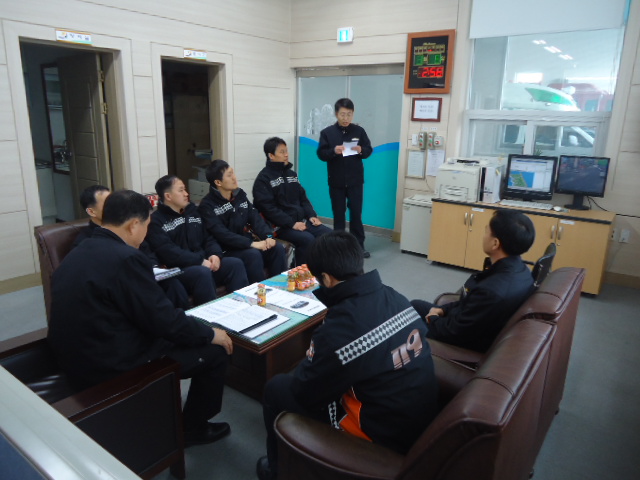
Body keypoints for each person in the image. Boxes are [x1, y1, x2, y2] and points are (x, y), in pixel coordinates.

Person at [48, 190, 234, 446]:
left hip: (75, 357)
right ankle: (192, 429)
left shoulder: (78, 252)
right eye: (147, 225)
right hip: (112, 365)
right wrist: (211, 333)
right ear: (134, 224)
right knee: (215, 352)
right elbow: (164, 320)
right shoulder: (126, 258)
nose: (146, 232)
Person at [256, 231, 438, 480]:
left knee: (277, 388)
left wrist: (314, 358)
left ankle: (277, 470)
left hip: (382, 437)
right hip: (419, 421)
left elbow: (306, 393)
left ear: (326, 278)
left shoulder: (340, 331)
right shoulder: (396, 297)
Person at [411, 209, 536, 352]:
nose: (483, 236)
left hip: (462, 340)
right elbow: (469, 303)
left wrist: (433, 318)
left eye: (486, 231)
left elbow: (453, 332)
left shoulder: (491, 292)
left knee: (404, 322)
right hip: (468, 321)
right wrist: (443, 309)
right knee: (414, 305)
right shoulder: (522, 270)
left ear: (495, 243)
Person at [73, 185, 209, 310]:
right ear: (91, 211)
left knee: (174, 283)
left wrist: (153, 267)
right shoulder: (85, 242)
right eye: (107, 203)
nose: (113, 206)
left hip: (150, 274)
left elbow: (147, 250)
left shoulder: (129, 227)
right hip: (123, 285)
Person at [146, 175, 249, 305]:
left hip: (203, 262)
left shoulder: (193, 212)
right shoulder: (156, 221)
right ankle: (210, 315)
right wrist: (199, 261)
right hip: (180, 270)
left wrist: (214, 254)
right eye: (181, 190)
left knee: (234, 264)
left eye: (185, 189)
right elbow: (168, 252)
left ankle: (242, 306)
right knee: (201, 272)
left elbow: (208, 238)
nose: (186, 194)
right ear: (168, 196)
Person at [198, 159, 287, 283]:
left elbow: (255, 218)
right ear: (218, 182)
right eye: (229, 175)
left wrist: (268, 236)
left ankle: (280, 286)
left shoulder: (239, 195)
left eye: (233, 173)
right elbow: (222, 234)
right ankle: (259, 292)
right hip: (226, 250)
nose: (234, 178)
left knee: (276, 248)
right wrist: (251, 244)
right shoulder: (207, 206)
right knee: (253, 254)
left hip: (244, 244)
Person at [253, 137, 332, 265]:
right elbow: (268, 209)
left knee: (329, 235)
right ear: (271, 156)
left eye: (286, 151)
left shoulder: (291, 175)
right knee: (307, 239)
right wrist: (291, 224)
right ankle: (298, 271)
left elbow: (303, 198)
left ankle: (314, 268)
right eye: (282, 152)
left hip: (301, 221)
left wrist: (311, 215)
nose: (286, 155)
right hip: (280, 226)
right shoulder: (263, 179)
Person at [317, 98, 373, 258]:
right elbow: (321, 154)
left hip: (355, 180)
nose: (346, 118)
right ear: (336, 114)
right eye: (343, 114)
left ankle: (358, 246)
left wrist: (361, 149)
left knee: (356, 214)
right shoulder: (327, 133)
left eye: (349, 114)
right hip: (336, 181)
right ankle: (339, 247)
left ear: (353, 114)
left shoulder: (359, 131)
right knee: (339, 214)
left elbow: (369, 150)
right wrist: (333, 151)